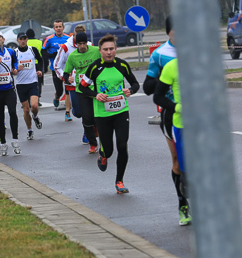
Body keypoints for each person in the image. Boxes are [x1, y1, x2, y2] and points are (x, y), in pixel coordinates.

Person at [143, 16, 190, 225]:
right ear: (170, 32)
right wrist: (163, 76)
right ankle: (183, 206)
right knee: (178, 162)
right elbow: (147, 88)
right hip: (172, 115)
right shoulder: (160, 54)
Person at [79, 34, 140, 194]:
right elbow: (82, 87)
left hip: (121, 111)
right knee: (109, 149)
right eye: (105, 49)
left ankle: (119, 181)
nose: (109, 52)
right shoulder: (94, 67)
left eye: (111, 49)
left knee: (122, 145)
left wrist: (130, 90)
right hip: (102, 114)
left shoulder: (122, 65)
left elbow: (135, 83)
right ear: (100, 51)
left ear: (115, 49)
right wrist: (95, 95)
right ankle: (103, 154)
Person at [153, 58, 191, 226]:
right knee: (177, 162)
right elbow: (156, 94)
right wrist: (177, 107)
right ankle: (183, 205)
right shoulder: (165, 61)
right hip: (174, 120)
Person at [64, 32, 101, 153]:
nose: (82, 46)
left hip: (96, 89)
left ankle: (101, 135)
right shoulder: (73, 56)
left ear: (87, 42)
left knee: (97, 116)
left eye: (84, 43)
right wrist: (67, 79)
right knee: (86, 117)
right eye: (80, 44)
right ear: (76, 45)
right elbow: (66, 72)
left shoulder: (96, 51)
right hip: (81, 90)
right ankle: (92, 144)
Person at [14, 32, 44, 140]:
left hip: (32, 82)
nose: (23, 41)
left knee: (34, 106)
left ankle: (35, 117)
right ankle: (30, 130)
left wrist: (40, 70)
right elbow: (12, 68)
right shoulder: (15, 52)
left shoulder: (32, 50)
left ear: (27, 39)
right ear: (17, 40)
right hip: (21, 84)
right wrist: (16, 70)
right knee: (26, 110)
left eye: (24, 39)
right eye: (20, 39)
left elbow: (40, 60)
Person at [42, 19, 71, 117]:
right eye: (56, 27)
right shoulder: (49, 39)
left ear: (63, 28)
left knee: (68, 90)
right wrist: (51, 55)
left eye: (60, 27)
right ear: (54, 28)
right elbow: (43, 51)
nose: (58, 29)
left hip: (68, 68)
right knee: (60, 90)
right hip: (56, 69)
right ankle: (57, 96)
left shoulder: (69, 38)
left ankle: (67, 113)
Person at [26, 29, 44, 106]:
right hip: (38, 65)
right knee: (38, 83)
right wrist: (44, 67)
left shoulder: (25, 42)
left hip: (27, 66)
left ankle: (28, 100)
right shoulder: (39, 42)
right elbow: (43, 55)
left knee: (28, 82)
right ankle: (37, 98)